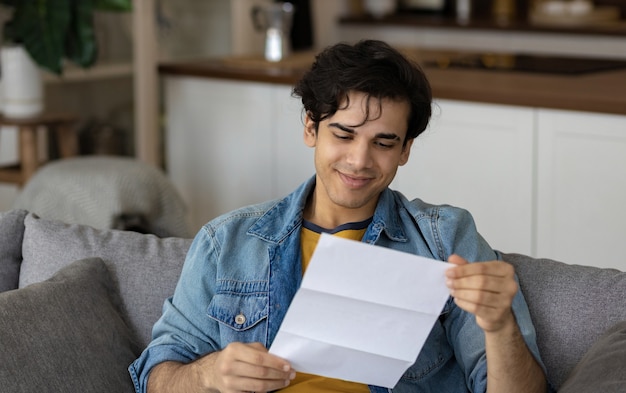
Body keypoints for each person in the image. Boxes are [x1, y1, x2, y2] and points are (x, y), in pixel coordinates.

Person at [129, 39, 549, 393]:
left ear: (405, 150)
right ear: (311, 128)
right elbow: (156, 376)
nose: (359, 160)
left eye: (384, 143)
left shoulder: (445, 239)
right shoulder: (228, 241)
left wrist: (499, 327)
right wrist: (208, 373)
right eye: (343, 135)